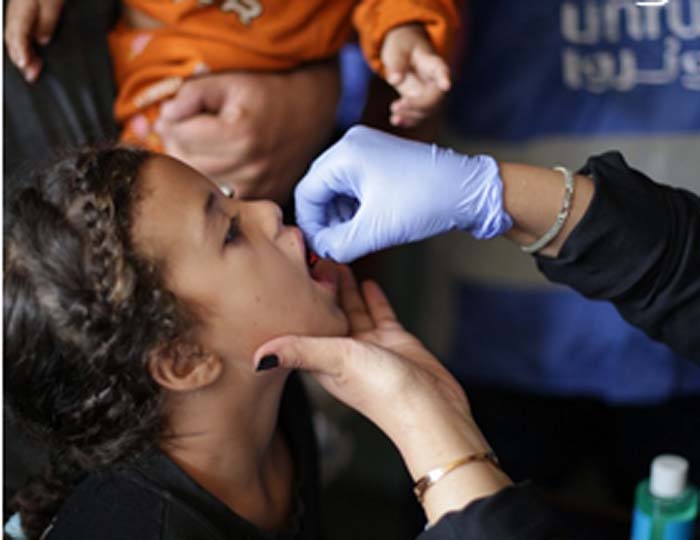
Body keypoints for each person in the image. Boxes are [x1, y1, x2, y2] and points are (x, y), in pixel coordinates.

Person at [3, 145, 525, 540]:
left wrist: (419, 404)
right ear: (184, 360)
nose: (269, 211)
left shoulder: (273, 396)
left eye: (230, 198)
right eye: (230, 232)